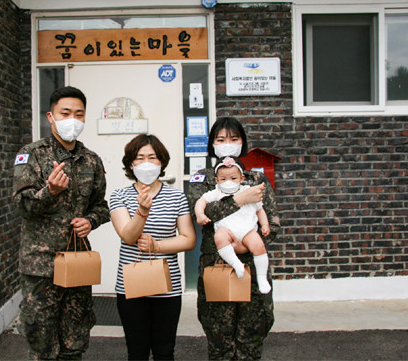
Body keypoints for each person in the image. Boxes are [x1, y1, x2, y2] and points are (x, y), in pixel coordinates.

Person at [12, 86, 110, 360]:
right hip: (40, 266)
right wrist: (49, 191)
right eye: (65, 113)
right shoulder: (31, 155)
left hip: (78, 262)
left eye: (79, 114)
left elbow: (101, 206)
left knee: (75, 340)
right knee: (42, 342)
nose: (73, 120)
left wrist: (91, 221)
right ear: (50, 116)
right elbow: (22, 206)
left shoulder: (91, 160)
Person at [186, 116, 280, 361]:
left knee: (253, 333)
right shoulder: (202, 179)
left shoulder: (256, 179)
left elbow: (272, 222)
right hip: (216, 265)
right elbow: (202, 214)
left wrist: (248, 242)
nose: (227, 143)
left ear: (243, 143)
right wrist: (239, 199)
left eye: (234, 138)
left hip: (252, 263)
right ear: (212, 144)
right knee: (219, 335)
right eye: (220, 139)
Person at [109, 134, 196, 361]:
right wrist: (142, 212)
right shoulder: (120, 195)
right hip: (131, 284)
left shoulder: (176, 196)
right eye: (140, 158)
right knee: (137, 353)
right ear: (131, 163)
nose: (146, 163)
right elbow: (128, 236)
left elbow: (188, 239)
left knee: (164, 352)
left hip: (168, 286)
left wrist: (156, 245)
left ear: (162, 163)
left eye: (152, 157)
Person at [194, 156, 272, 293]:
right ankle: (236, 263)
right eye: (223, 179)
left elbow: (260, 210)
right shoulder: (216, 193)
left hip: (247, 230)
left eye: (233, 178)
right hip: (226, 230)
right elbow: (201, 201)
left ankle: (261, 277)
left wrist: (264, 224)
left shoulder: (248, 191)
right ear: (217, 180)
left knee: (259, 246)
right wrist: (200, 215)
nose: (228, 182)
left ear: (241, 179)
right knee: (219, 237)